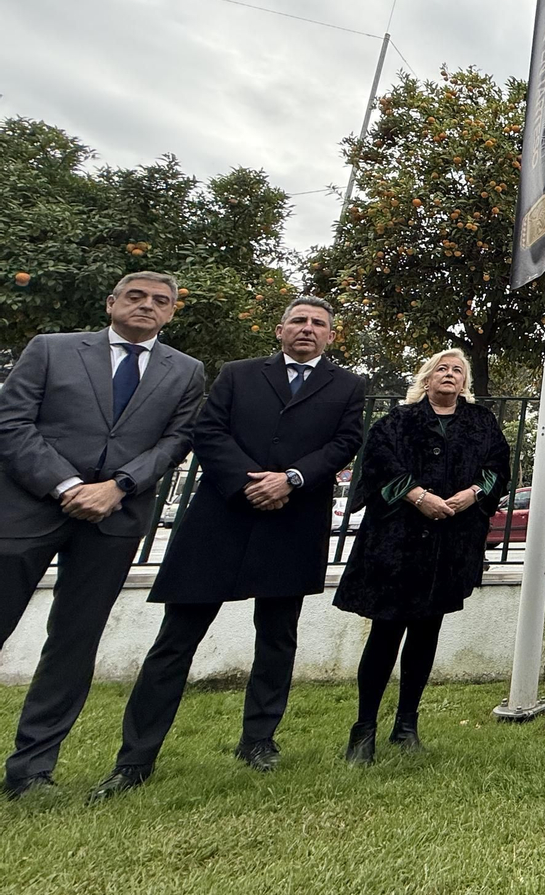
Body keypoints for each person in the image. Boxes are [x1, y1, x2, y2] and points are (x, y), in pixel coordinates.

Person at [89, 296, 366, 800]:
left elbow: (345, 442)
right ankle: (135, 759)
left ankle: (258, 741)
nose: (307, 329)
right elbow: (207, 429)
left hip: (293, 521)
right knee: (175, 641)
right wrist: (247, 482)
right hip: (220, 520)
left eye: (318, 324)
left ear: (331, 336)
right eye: (299, 321)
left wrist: (292, 479)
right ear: (280, 330)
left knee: (278, 639)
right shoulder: (238, 374)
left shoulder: (348, 386)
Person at [0, 273, 205, 800]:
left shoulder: (184, 371)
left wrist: (119, 486)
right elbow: (12, 422)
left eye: (161, 301)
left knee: (73, 643)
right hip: (27, 512)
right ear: (111, 302)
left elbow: (177, 439)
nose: (147, 306)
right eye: (135, 297)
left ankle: (32, 771)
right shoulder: (50, 350)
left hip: (114, 519)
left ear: (172, 313)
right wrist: (67, 484)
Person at [333, 348, 510, 764]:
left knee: (427, 633)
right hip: (398, 545)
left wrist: (473, 493)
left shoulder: (481, 423)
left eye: (457, 371)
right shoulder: (398, 421)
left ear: (464, 383)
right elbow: (377, 465)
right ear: (427, 378)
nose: (450, 375)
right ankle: (364, 729)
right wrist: (417, 495)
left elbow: (497, 466)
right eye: (442, 369)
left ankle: (406, 724)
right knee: (385, 634)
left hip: (450, 546)